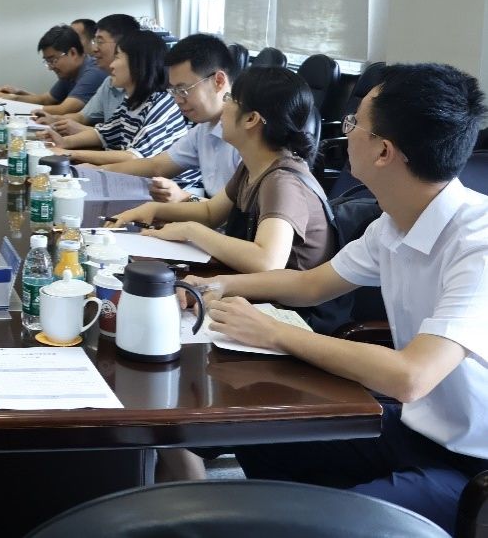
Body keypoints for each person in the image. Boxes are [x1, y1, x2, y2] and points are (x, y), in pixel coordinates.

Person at [192, 64, 487, 533]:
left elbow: (411, 376)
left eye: (354, 124)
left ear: (384, 151)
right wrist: (213, 287)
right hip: (415, 430)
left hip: (472, 467)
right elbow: (311, 284)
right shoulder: (394, 221)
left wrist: (276, 333)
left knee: (331, 524)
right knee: (257, 430)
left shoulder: (478, 242)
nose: (344, 133)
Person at [109, 67, 343, 325]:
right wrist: (153, 209)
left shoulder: (281, 181)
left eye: (231, 99)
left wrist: (190, 230)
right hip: (260, 296)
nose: (224, 104)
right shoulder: (253, 165)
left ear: (251, 119)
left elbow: (267, 260)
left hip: (294, 315)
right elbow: (211, 212)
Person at [100, 34, 241, 202]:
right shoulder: (203, 129)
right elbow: (157, 166)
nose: (177, 100)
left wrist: (185, 198)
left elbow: (245, 210)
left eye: (183, 90)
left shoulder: (248, 134)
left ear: (218, 81)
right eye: (173, 91)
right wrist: (98, 171)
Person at [43, 30, 194, 182]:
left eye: (117, 57)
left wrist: (71, 153)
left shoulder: (161, 103)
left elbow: (133, 157)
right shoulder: (133, 101)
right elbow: (103, 134)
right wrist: (64, 142)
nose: (112, 65)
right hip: (144, 181)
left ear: (137, 63)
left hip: (178, 187)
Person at [40, 13, 141, 131]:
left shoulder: (147, 88)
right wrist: (54, 119)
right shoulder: (108, 82)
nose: (94, 49)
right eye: (94, 41)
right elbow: (82, 116)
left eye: (100, 42)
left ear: (124, 44)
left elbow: (122, 137)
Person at [0, 24, 107, 115]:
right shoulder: (69, 73)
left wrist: (14, 103)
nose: (50, 67)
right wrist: (16, 95)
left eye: (53, 60)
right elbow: (46, 100)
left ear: (72, 53)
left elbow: (63, 110)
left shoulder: (94, 72)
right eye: (47, 62)